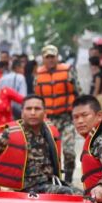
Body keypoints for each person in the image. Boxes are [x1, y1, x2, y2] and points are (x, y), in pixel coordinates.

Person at [0, 96, 81, 195]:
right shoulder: (9, 133)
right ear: (22, 112)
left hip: (50, 183)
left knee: (82, 193)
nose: (33, 113)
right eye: (29, 109)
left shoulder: (49, 131)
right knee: (68, 193)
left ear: (44, 112)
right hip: (28, 188)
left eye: (37, 109)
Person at [34, 45, 79, 185]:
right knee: (47, 153)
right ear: (43, 58)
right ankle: (52, 180)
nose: (50, 60)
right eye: (47, 57)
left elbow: (78, 92)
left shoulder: (69, 70)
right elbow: (36, 98)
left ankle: (69, 180)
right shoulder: (38, 75)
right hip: (48, 121)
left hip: (66, 118)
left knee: (69, 151)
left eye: (53, 57)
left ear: (57, 57)